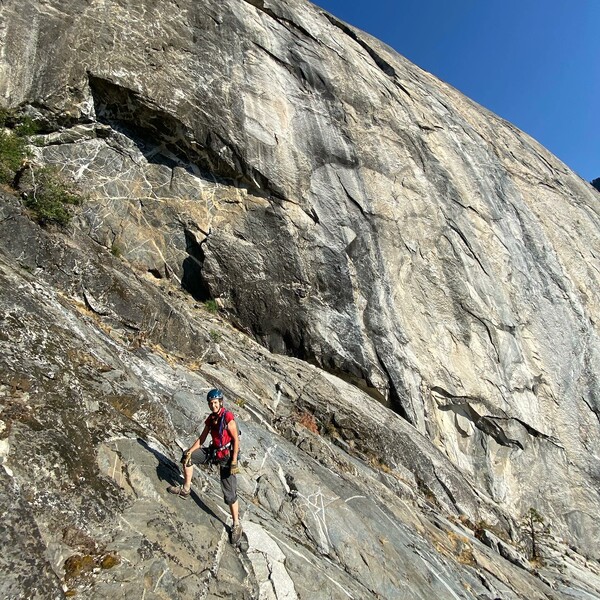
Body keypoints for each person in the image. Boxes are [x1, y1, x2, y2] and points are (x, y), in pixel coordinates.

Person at [168, 388, 243, 544]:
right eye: (210, 403)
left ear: (220, 402)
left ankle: (236, 524)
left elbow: (236, 440)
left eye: (215, 403)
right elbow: (202, 439)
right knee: (187, 458)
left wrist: (234, 461)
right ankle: (186, 489)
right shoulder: (211, 419)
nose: (213, 406)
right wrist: (190, 451)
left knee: (229, 493)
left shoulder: (227, 417)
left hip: (227, 457)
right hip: (214, 452)